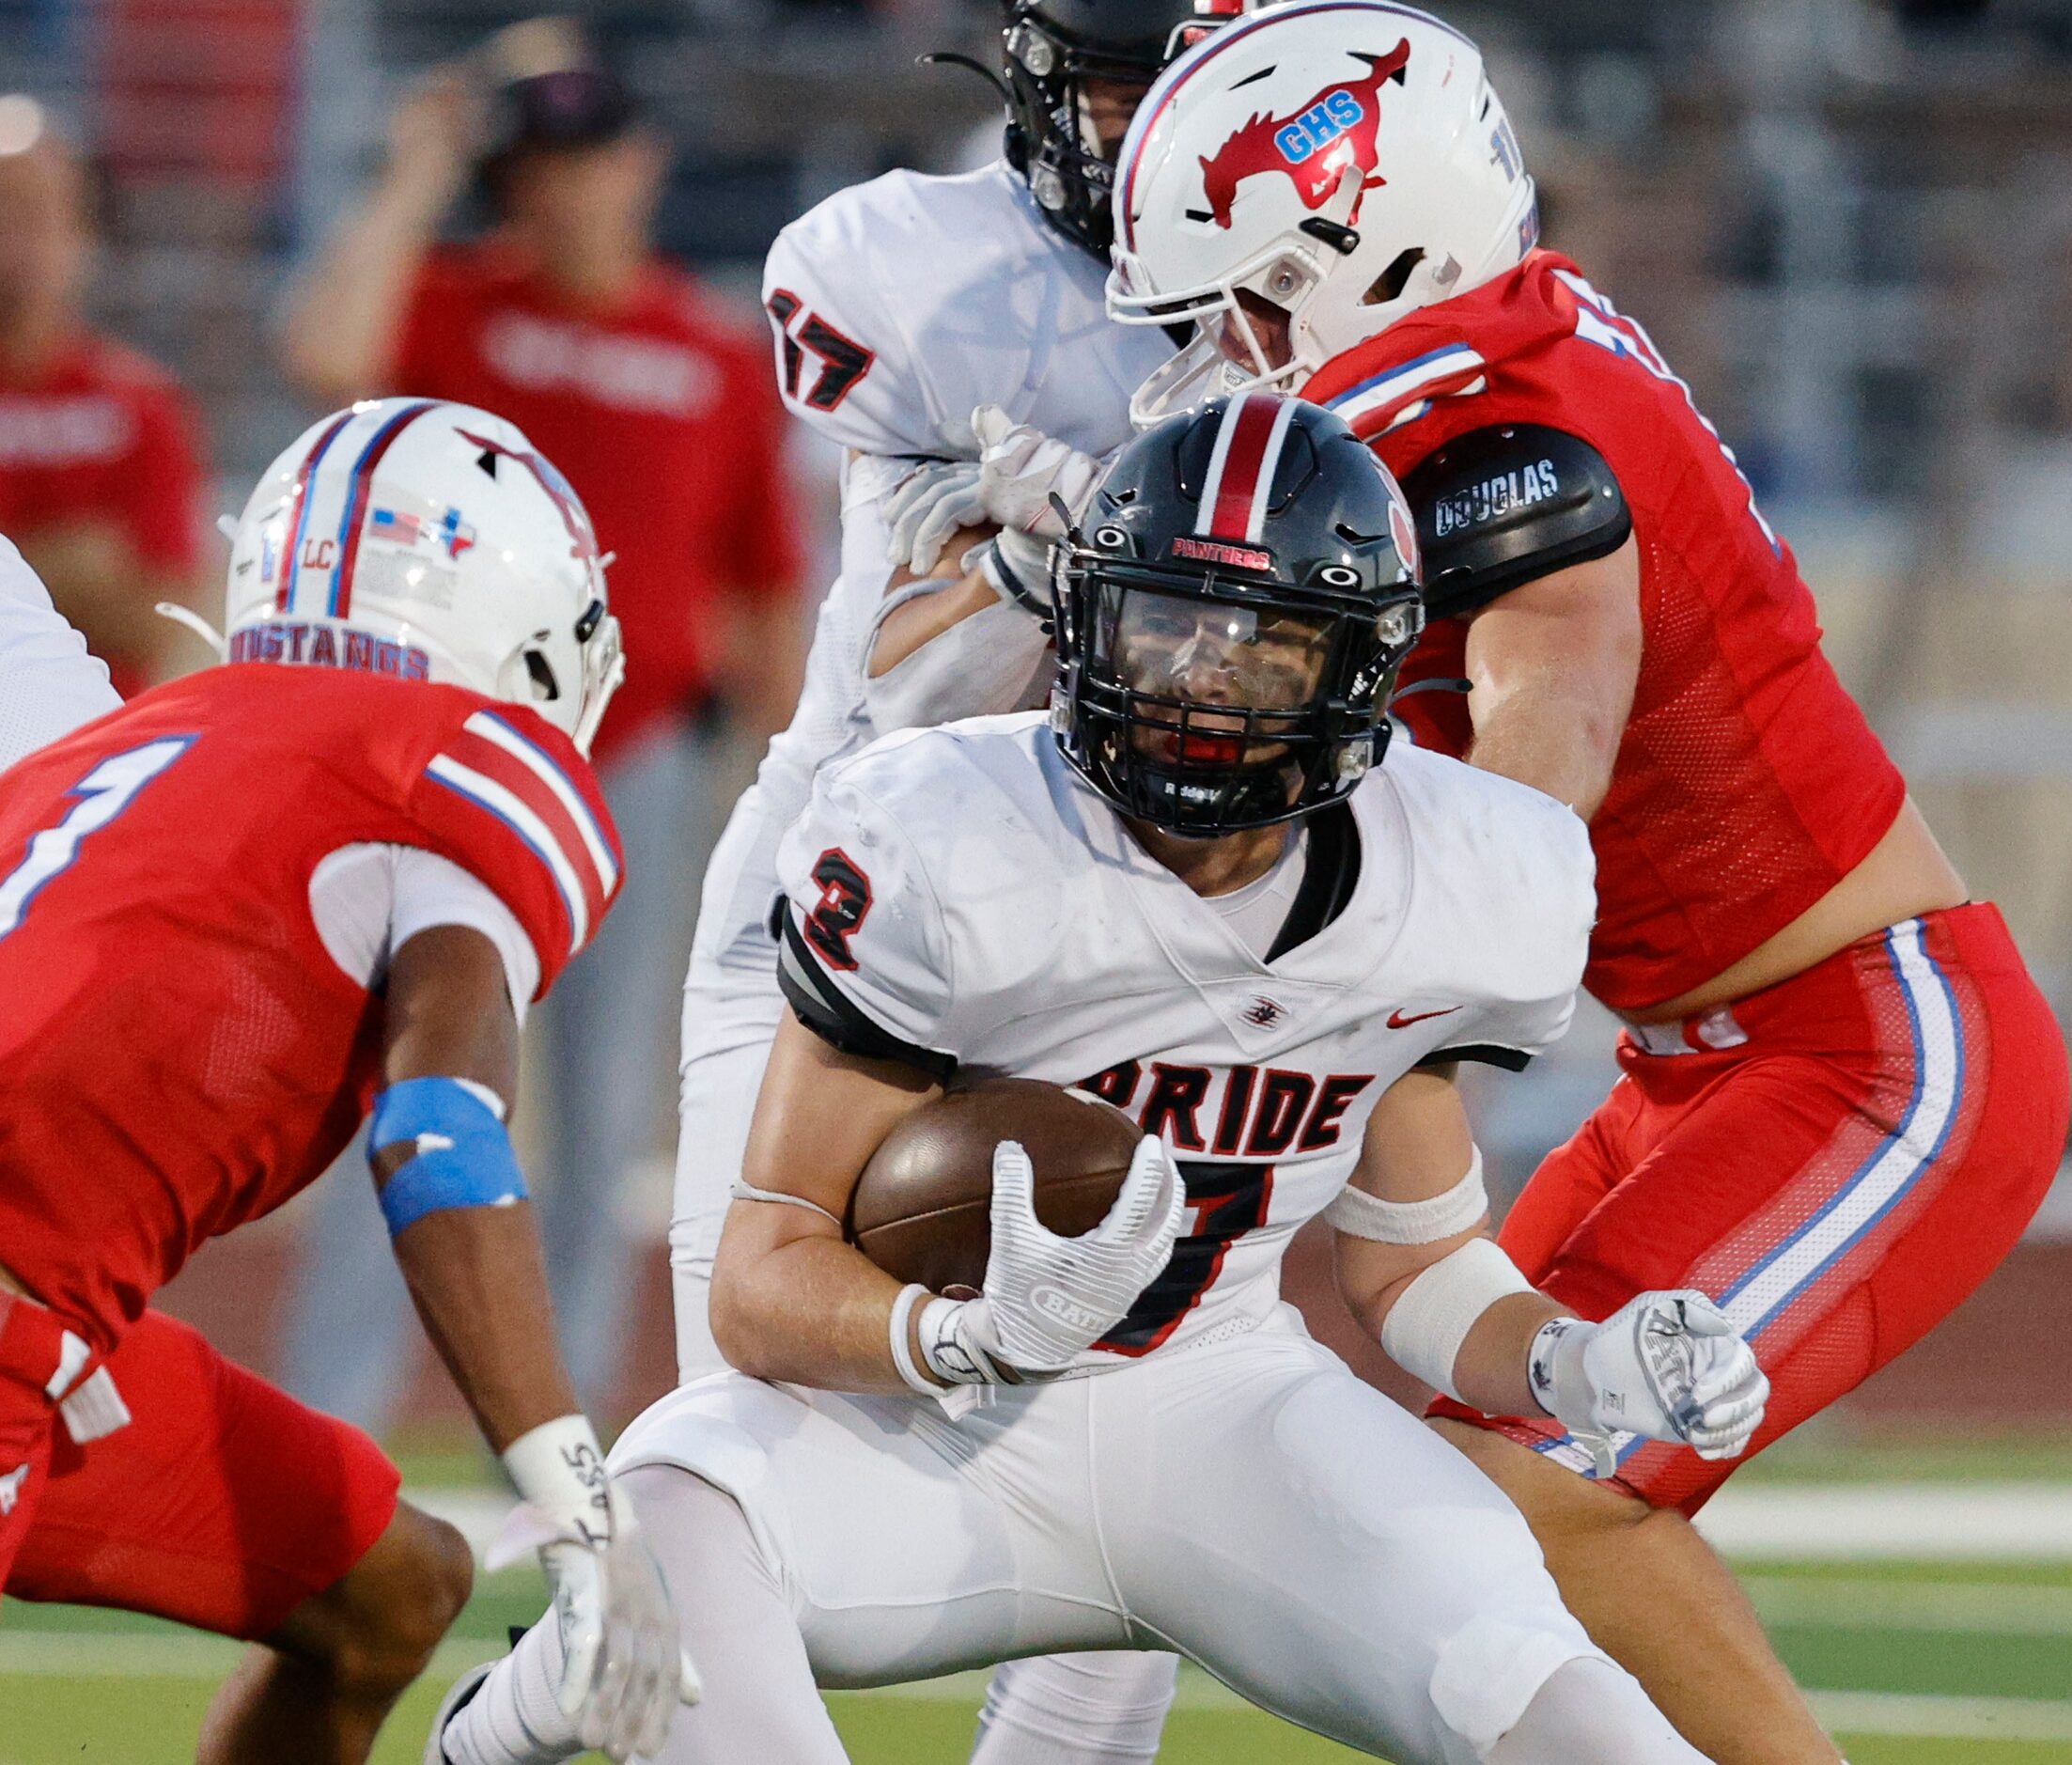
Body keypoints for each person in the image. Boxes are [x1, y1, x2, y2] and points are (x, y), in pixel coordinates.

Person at [432, 398, 1761, 1765]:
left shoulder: (1460, 880)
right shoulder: (946, 838)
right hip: (928, 1429)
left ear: (1355, 666)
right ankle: (501, 1724)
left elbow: (1415, 1268)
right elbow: (761, 1277)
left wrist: (1576, 1361)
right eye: (1164, 623)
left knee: (1583, 1724)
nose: (1198, 677)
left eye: (1260, 645)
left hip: (1220, 1413)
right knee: (667, 1504)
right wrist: (956, 1332)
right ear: (1084, 624)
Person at [1089, 5, 2072, 1759]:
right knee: (1419, 1529)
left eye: (1249, 298)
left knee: (1524, 1497)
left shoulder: (1506, 439)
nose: (1225, 352)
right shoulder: (1490, 350)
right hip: (1699, 1064)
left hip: (1874, 1057)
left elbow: (1523, 838)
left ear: (1371, 237)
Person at [0, 396, 688, 1765]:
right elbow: (436, 1134)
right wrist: (584, 1515)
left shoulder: (146, 738)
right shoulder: (475, 764)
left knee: (384, 1587)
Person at [665, 3, 1261, 1756]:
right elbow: (888, 682)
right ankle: (526, 1713)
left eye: (1180, 94)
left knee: (1123, 1545)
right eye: (1109, 85)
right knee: (737, 1477)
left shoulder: (1309, 308)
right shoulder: (902, 267)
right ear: (1027, 76)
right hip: (841, 917)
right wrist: (1025, 562)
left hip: (1114, 943)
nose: (1142, 136)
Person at [278, 22, 804, 1425]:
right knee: (409, 1082)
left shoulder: (705, 348)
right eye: (535, 165)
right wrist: (416, 170)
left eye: (585, 158)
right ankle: (334, 1415)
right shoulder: (457, 307)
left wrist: (787, 803)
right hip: (449, 759)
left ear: (640, 164)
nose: (562, 189)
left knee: (606, 1123)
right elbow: (325, 351)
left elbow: (762, 593)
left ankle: (557, 1444)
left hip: (636, 763)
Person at [0, 94, 211, 698]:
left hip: (96, 756)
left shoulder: (146, 405)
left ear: (87, 227)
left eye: (42, 211)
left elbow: (162, 620)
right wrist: (77, 565)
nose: (21, 238)